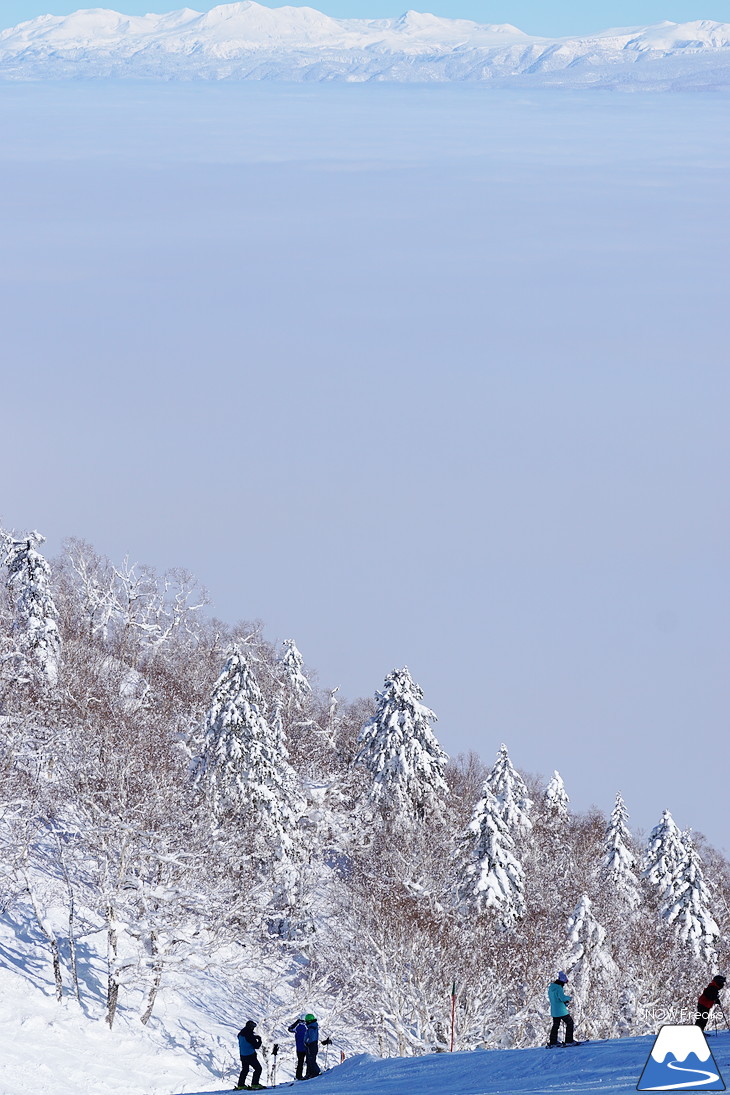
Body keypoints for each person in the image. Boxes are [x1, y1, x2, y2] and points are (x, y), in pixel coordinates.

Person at [548, 971, 576, 1046]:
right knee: (570, 1023)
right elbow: (562, 998)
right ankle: (569, 1040)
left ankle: (552, 1042)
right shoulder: (559, 988)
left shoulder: (551, 988)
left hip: (554, 1011)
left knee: (555, 1025)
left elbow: (556, 999)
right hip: (561, 1011)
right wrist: (569, 998)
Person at [237, 1019, 266, 1091]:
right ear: (251, 1027)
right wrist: (259, 1040)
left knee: (245, 1070)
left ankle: (241, 1085)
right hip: (250, 1054)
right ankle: (255, 1084)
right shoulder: (249, 1035)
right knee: (258, 1069)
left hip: (242, 1055)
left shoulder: (240, 1033)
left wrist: (254, 1037)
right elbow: (256, 1046)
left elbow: (246, 1039)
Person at [287, 1013, 308, 1080]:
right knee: (309, 1061)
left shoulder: (297, 1027)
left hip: (299, 1048)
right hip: (306, 1047)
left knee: (300, 1062)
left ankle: (298, 1076)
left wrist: (296, 1022)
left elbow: (290, 1029)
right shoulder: (307, 1026)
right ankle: (308, 1074)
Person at [304, 1013, 321, 1079]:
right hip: (311, 1044)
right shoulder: (312, 1026)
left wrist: (308, 1042)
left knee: (311, 1059)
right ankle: (309, 1073)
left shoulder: (311, 1028)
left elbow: (311, 1037)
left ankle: (315, 1072)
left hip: (311, 1045)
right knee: (309, 1059)